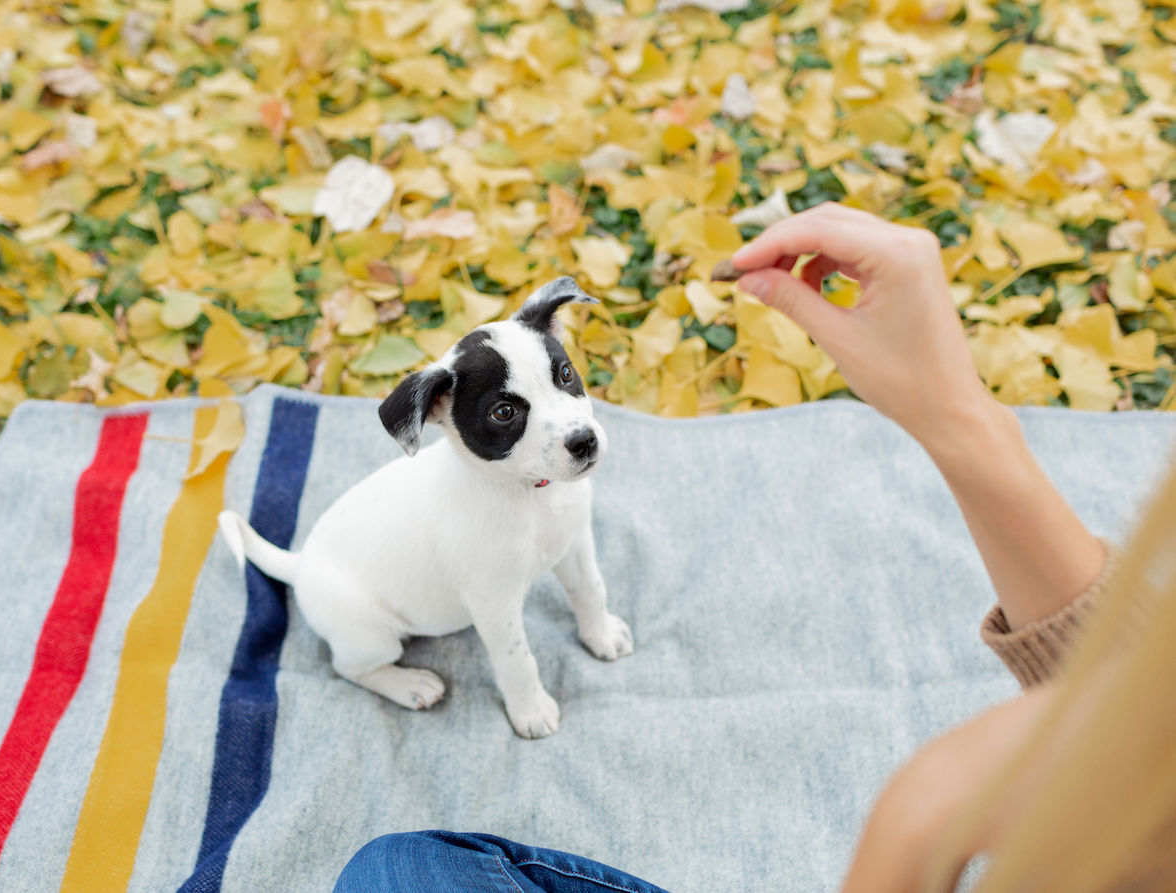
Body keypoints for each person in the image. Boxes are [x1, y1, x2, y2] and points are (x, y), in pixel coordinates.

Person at [332, 204, 1176, 893]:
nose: (570, 420)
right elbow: (1119, 673)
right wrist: (952, 408)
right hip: (373, 600)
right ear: (440, 417)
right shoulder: (453, 478)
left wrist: (916, 826)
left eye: (563, 382)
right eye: (514, 413)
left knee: (394, 872)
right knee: (389, 866)